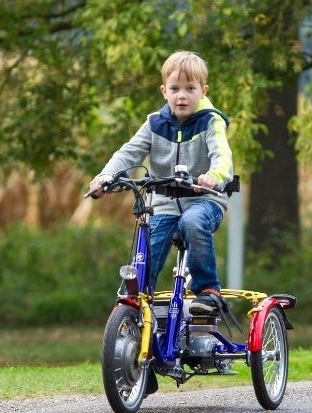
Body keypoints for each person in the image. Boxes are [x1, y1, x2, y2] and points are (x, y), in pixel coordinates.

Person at [89, 50, 233, 316]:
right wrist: (106, 176)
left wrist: (214, 176)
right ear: (163, 91)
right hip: (163, 205)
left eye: (190, 88)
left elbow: (222, 156)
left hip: (204, 200)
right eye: (175, 88)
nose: (182, 95)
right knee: (148, 247)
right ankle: (136, 307)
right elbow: (129, 152)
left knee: (192, 222)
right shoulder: (154, 123)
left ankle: (208, 291)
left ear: (203, 91)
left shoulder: (211, 122)